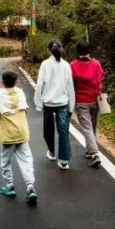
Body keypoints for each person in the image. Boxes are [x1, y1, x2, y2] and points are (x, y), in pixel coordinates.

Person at [0, 70, 38, 204]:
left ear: (2, 82)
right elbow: (26, 110)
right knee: (26, 160)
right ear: (16, 82)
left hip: (8, 134)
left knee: (5, 160)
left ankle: (9, 186)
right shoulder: (20, 92)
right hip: (22, 132)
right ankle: (30, 187)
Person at [35, 39, 75, 170]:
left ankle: (51, 152)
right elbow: (70, 86)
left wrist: (38, 103)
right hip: (63, 102)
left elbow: (40, 84)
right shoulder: (66, 65)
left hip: (48, 102)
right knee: (63, 131)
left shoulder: (45, 64)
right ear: (61, 49)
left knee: (48, 129)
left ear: (48, 50)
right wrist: (72, 105)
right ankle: (63, 160)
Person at [70, 40, 105, 167]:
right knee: (93, 126)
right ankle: (90, 150)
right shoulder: (96, 63)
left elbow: (71, 84)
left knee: (87, 128)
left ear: (77, 51)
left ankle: (94, 153)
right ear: (89, 51)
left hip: (81, 100)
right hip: (96, 99)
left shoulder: (73, 65)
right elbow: (101, 78)